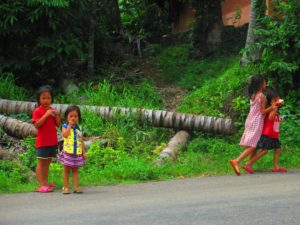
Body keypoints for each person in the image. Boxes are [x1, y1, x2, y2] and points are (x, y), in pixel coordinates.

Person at [229, 75, 275, 175]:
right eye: (264, 82)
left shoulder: (253, 95)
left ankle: (248, 165)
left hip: (250, 120)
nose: (265, 84)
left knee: (253, 143)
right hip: (257, 121)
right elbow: (262, 112)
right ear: (261, 84)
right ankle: (237, 161)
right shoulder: (261, 96)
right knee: (253, 145)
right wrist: (272, 107)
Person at [242, 88, 286, 174]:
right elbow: (270, 118)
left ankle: (275, 167)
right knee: (264, 150)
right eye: (275, 100)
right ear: (270, 101)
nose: (278, 101)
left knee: (277, 149)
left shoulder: (276, 110)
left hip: (274, 134)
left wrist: (280, 119)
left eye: (278, 99)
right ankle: (248, 164)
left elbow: (275, 119)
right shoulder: (271, 109)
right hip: (267, 134)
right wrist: (274, 108)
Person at [32, 85, 61, 192]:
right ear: (39, 99)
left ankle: (46, 183)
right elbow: (37, 125)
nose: (46, 100)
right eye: (43, 98)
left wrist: (57, 115)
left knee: (47, 163)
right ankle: (41, 185)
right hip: (42, 142)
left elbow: (58, 124)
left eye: (48, 98)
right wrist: (46, 115)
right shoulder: (37, 111)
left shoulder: (52, 110)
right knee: (41, 163)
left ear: (51, 99)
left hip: (52, 141)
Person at [57, 105, 87, 194]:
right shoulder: (65, 126)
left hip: (77, 152)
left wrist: (83, 153)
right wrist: (69, 125)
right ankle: (66, 187)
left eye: (75, 116)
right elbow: (65, 135)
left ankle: (76, 187)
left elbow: (81, 141)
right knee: (66, 170)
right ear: (67, 117)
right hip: (68, 152)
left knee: (75, 170)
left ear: (78, 117)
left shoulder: (80, 129)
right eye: (71, 116)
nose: (73, 118)